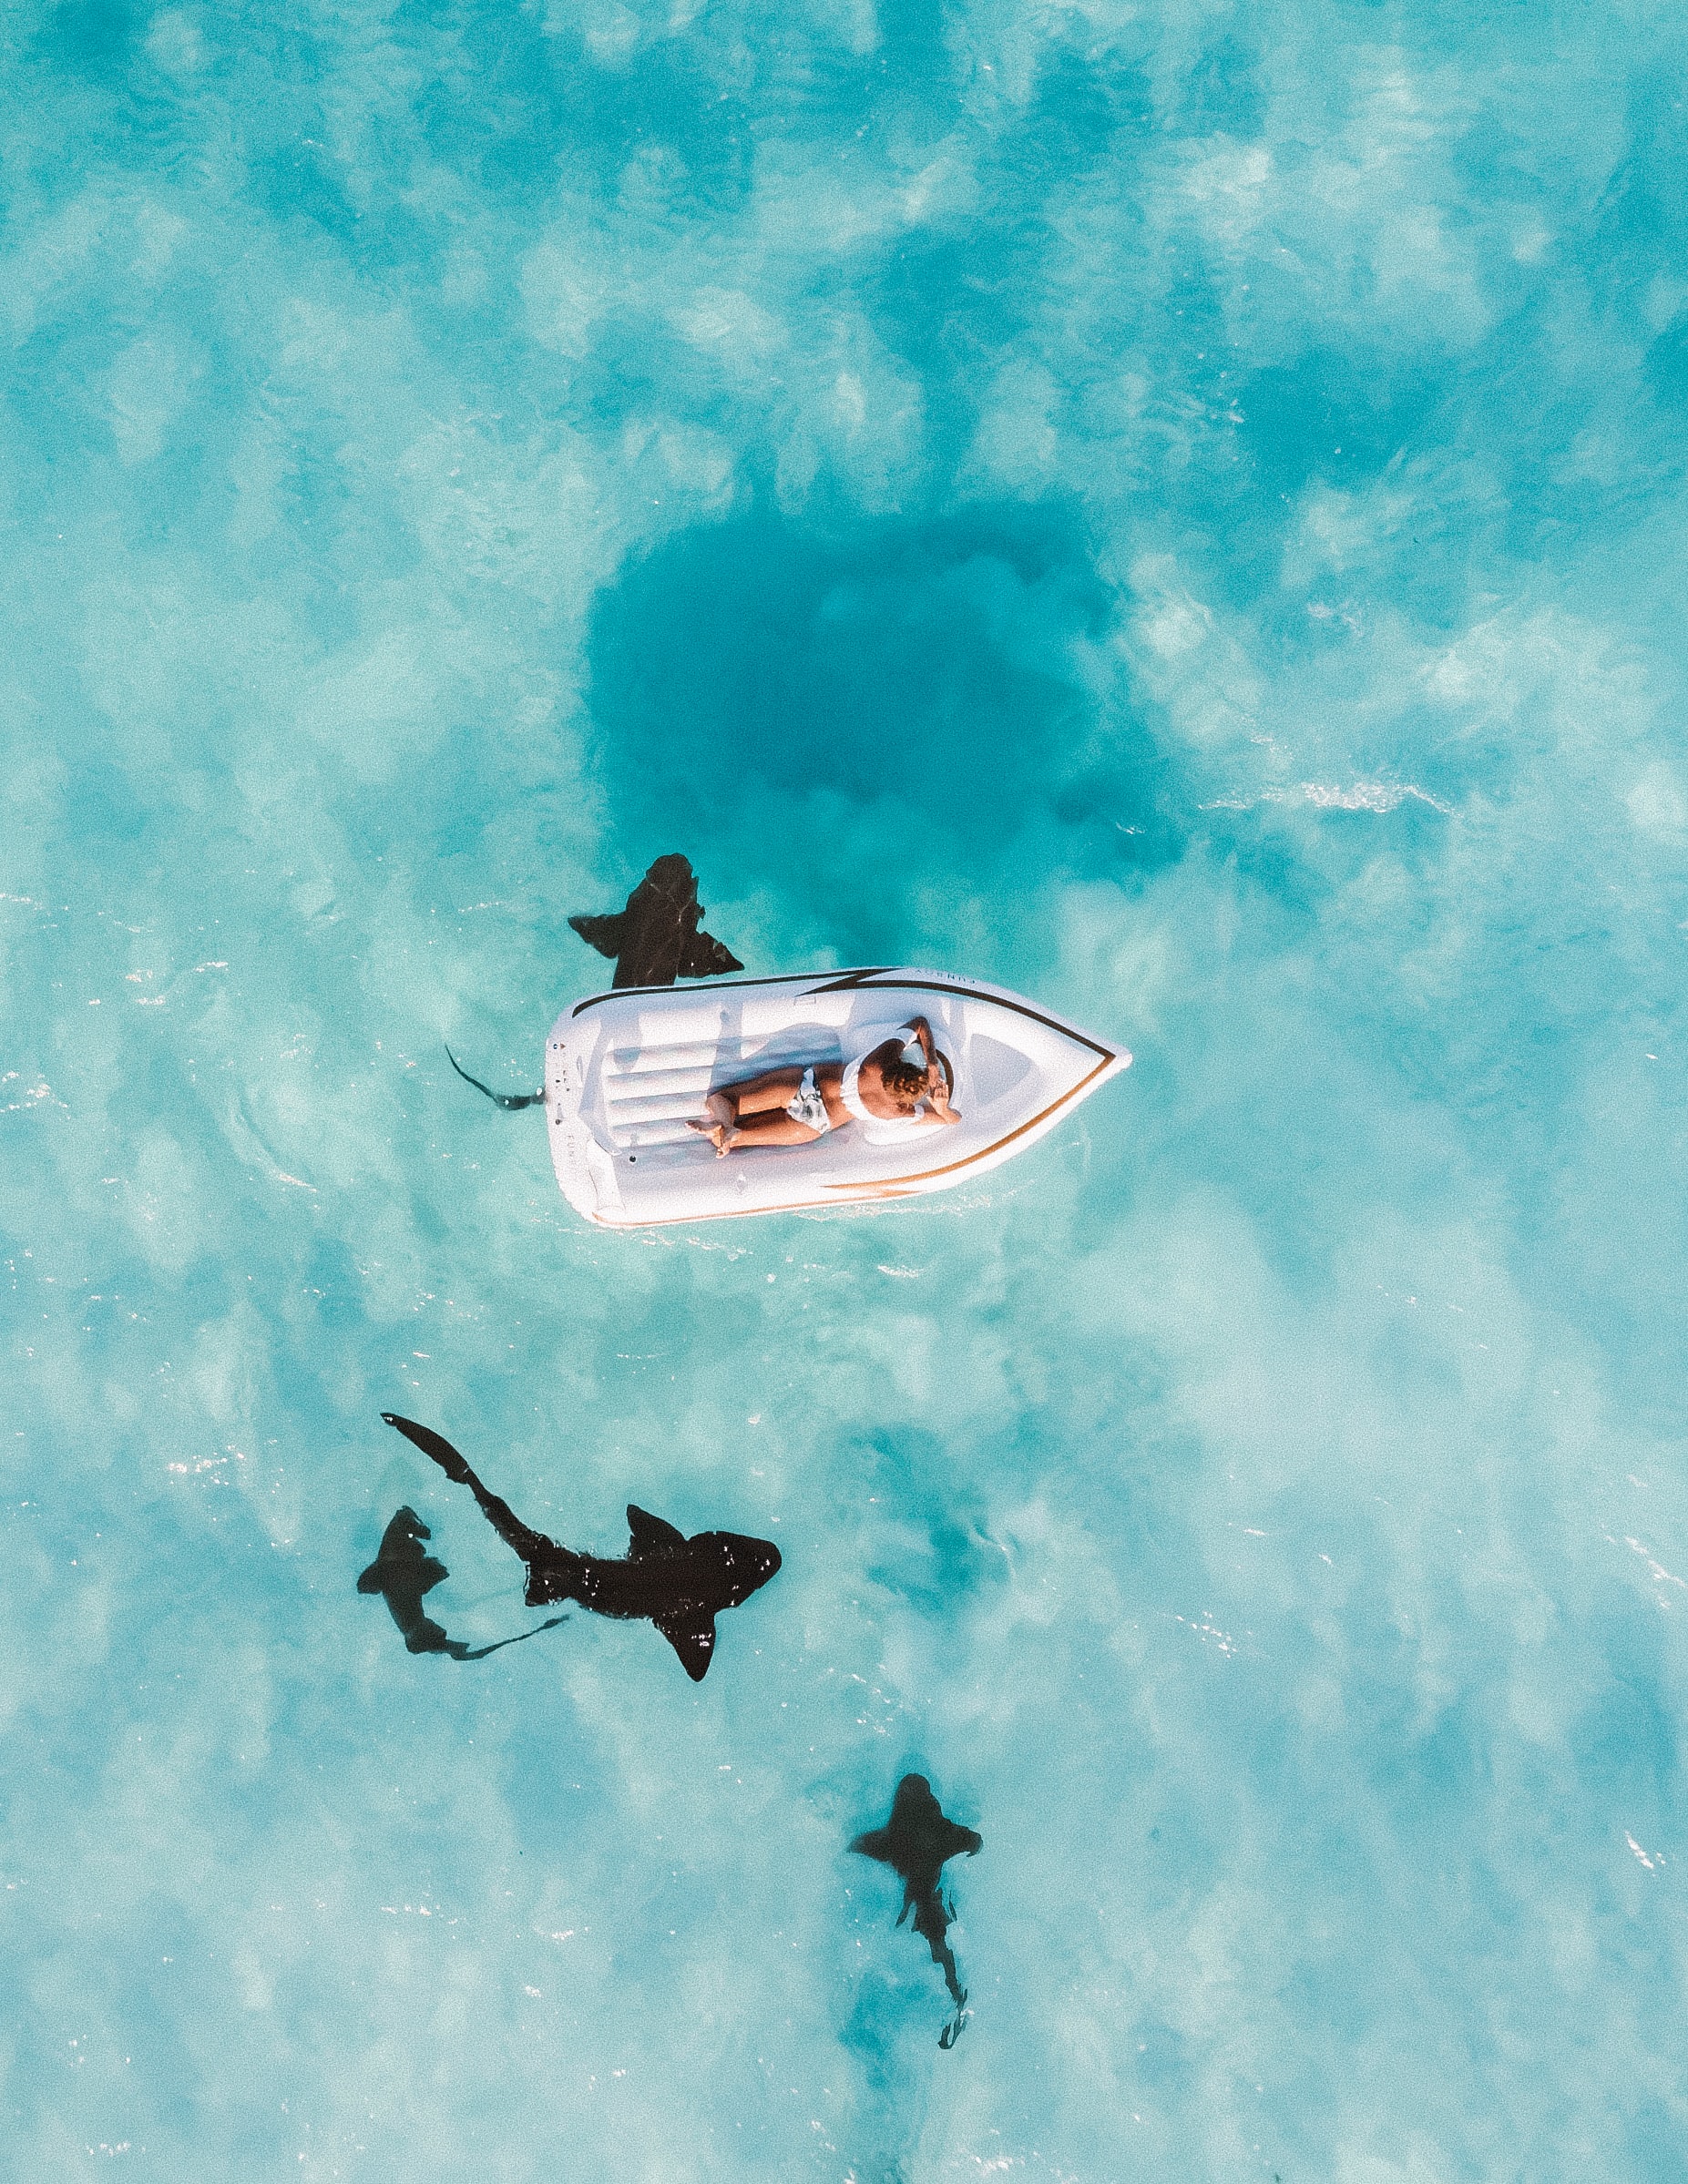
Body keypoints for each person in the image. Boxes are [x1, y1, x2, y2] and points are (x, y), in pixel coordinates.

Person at [690, 1015, 961, 1157]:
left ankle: (724, 1122)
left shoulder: (880, 1060)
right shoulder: (897, 1113)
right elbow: (951, 1121)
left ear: (902, 1066)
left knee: (721, 1098)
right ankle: (725, 1134)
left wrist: (932, 1062)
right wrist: (941, 1106)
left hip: (805, 1084)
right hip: (816, 1123)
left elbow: (920, 1024)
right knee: (734, 1140)